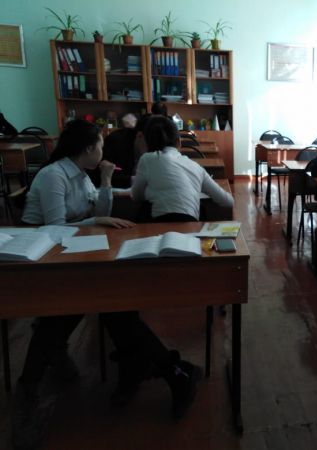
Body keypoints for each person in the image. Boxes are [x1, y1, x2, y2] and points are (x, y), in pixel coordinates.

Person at [15, 120, 202, 450]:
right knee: (102, 306)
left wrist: (103, 182)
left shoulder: (81, 174)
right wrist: (96, 219)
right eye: (100, 145)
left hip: (69, 255)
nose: (104, 151)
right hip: (37, 263)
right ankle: (171, 370)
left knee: (112, 306)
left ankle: (162, 369)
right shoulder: (54, 175)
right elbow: (55, 227)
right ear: (88, 149)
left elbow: (99, 210)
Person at [131, 115, 233, 222]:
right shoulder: (195, 167)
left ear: (147, 142)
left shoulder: (146, 159)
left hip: (159, 224)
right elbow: (228, 201)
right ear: (179, 142)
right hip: (191, 225)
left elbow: (136, 196)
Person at [89, 113, 151, 188]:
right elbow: (101, 175)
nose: (153, 150)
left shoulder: (154, 151)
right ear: (140, 136)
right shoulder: (116, 142)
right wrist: (133, 180)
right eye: (151, 144)